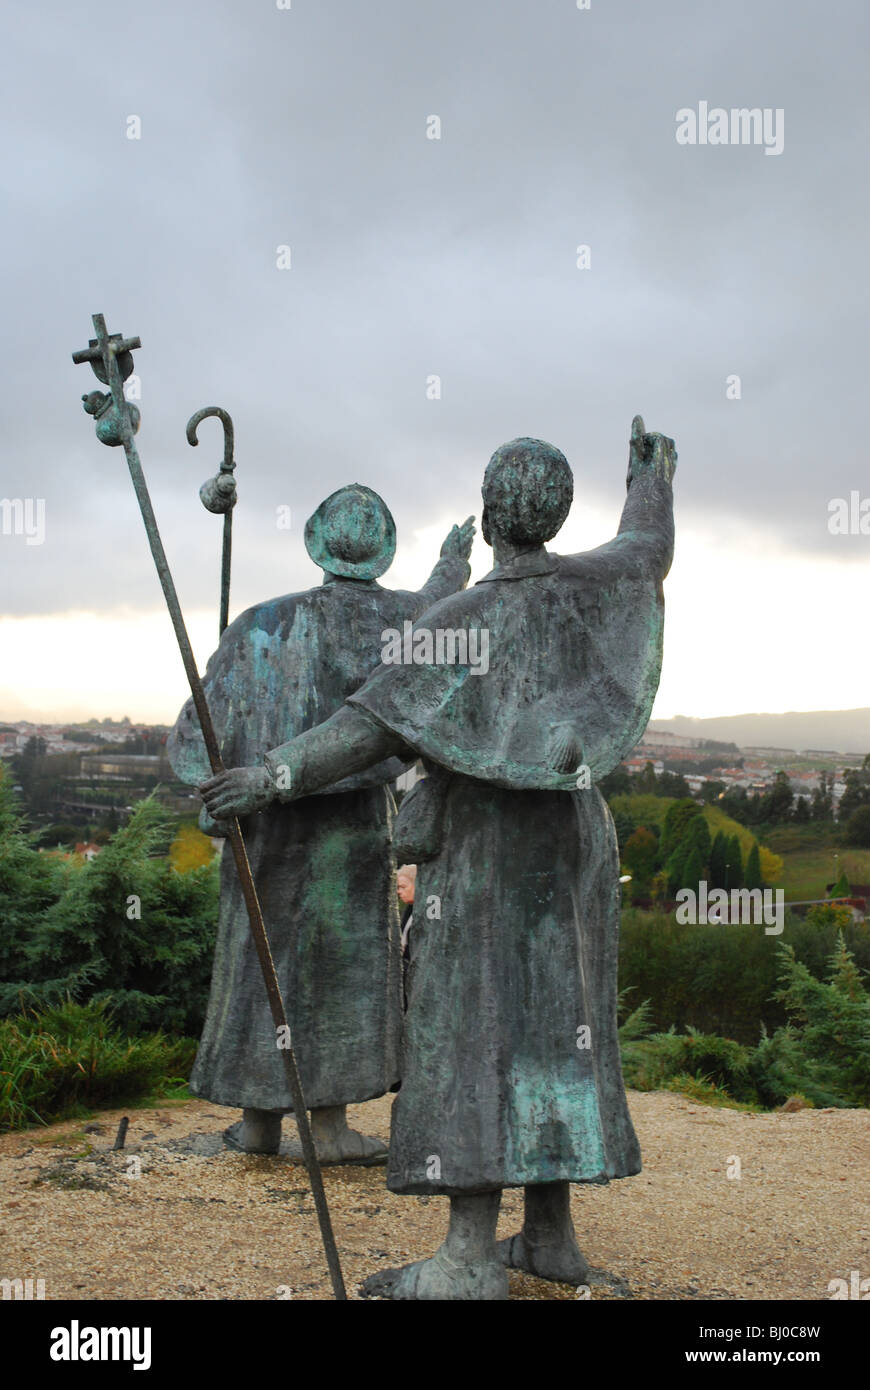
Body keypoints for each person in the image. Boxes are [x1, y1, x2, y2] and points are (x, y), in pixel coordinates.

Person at [201, 423, 675, 1295]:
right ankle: (549, 1237)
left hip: (488, 852)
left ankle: (466, 1255)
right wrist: (650, 475)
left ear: (492, 515)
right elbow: (648, 542)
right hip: (573, 842)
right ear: (557, 514)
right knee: (555, 1035)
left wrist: (269, 774)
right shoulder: (598, 587)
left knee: (474, 1031)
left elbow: (360, 732)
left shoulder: (465, 621)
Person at [169, 484, 473, 1158]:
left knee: (263, 962)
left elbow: (199, 734)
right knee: (338, 971)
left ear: (315, 541)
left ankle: (258, 1123)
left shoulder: (258, 622)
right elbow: (437, 614)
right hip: (348, 825)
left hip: (261, 819)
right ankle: (326, 1129)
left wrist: (215, 790)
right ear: (383, 551)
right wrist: (455, 561)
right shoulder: (405, 622)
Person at [396, 864, 416, 1008]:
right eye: (398, 888)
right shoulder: (409, 911)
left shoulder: (430, 909)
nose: (399, 892)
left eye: (403, 887)